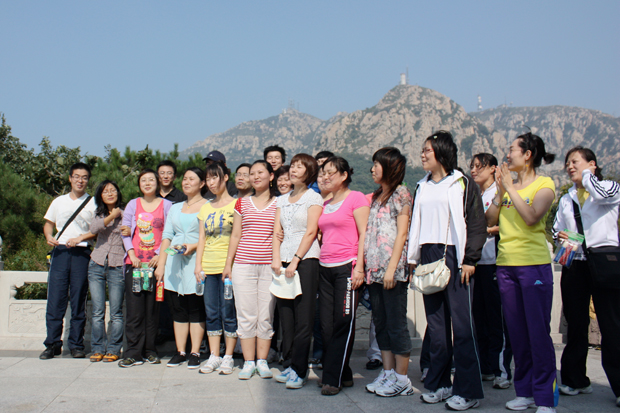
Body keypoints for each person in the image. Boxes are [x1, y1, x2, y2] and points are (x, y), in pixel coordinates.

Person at [407, 131, 487, 411]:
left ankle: (468, 390)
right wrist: (412, 259)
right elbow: (416, 224)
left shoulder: (461, 182)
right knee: (437, 326)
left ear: (441, 152)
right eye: (422, 150)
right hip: (429, 255)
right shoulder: (422, 185)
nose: (422, 154)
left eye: (427, 150)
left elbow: (476, 223)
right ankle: (440, 384)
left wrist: (470, 259)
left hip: (455, 256)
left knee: (462, 327)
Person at [485, 132, 558, 413]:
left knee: (538, 333)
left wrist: (509, 188)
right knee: (517, 334)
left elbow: (531, 217)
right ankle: (524, 391)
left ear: (528, 155)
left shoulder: (544, 185)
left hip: (533, 265)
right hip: (506, 266)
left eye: (512, 149)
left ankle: (545, 397)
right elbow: (490, 219)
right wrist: (500, 192)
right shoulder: (508, 188)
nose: (507, 154)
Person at [552, 146, 620, 408]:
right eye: (568, 163)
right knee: (576, 323)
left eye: (575, 162)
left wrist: (589, 176)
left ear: (592, 164)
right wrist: (561, 236)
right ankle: (575, 379)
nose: (570, 166)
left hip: (604, 261)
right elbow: (557, 228)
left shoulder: (609, 187)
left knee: (611, 324)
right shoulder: (567, 197)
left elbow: (602, 195)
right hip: (575, 263)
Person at [364, 147, 414, 397]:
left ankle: (402, 379)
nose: (372, 169)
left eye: (377, 164)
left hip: (391, 270)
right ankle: (388, 372)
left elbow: (402, 233)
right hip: (374, 270)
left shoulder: (401, 193)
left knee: (396, 324)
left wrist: (392, 269)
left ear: (390, 167)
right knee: (381, 324)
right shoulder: (376, 196)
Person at [317, 156, 369, 395]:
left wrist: (359, 267)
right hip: (325, 267)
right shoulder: (325, 203)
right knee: (326, 326)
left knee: (343, 322)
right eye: (324, 172)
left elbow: (364, 233)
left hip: (347, 266)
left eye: (331, 172)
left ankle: (332, 378)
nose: (326, 176)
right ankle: (344, 373)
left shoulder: (356, 198)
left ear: (344, 175)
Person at [222, 160, 278, 380]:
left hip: (269, 266)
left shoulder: (280, 203)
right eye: (252, 173)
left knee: (265, 315)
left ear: (271, 176)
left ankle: (262, 361)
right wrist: (228, 264)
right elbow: (235, 234)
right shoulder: (242, 203)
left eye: (260, 172)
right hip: (243, 265)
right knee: (245, 314)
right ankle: (248, 362)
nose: (255, 176)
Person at [271, 154, 322, 389]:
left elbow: (311, 232)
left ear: (309, 172)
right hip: (282, 261)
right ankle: (289, 364)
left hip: (306, 260)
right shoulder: (281, 200)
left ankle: (300, 370)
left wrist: (295, 260)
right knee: (286, 317)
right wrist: (276, 259)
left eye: (299, 167)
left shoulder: (313, 197)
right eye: (292, 166)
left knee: (304, 317)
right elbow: (277, 231)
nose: (293, 170)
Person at [40, 162, 96, 360]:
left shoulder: (93, 203)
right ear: (70, 178)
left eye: (84, 177)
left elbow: (97, 230)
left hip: (82, 253)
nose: (80, 181)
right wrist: (48, 236)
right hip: (61, 252)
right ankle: (52, 344)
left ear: (88, 180)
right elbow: (49, 224)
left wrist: (81, 238)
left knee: (79, 299)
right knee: (55, 299)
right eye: (77, 177)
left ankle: (76, 344)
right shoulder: (59, 201)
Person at [119, 169, 172, 367]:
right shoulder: (133, 204)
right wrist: (131, 253)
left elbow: (171, 233)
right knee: (134, 311)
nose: (147, 183)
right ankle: (133, 352)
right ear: (139, 184)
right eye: (143, 180)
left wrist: (159, 255)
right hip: (134, 265)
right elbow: (124, 231)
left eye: (151, 180)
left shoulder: (167, 205)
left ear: (158, 183)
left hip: (155, 266)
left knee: (152, 311)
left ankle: (150, 350)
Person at [155, 167, 208, 369]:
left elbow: (210, 236)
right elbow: (167, 236)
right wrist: (161, 264)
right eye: (185, 179)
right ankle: (180, 351)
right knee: (177, 308)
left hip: (196, 260)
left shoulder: (208, 206)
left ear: (202, 183)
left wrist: (193, 246)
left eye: (191, 179)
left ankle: (195, 352)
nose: (186, 182)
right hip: (174, 262)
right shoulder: (176, 207)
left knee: (195, 307)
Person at [470, 153, 513, 389]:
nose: (474, 170)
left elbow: (504, 223)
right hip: (478, 264)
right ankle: (486, 366)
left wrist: (484, 230)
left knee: (498, 319)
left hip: (496, 262)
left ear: (493, 169)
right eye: (472, 166)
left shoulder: (501, 192)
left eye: (479, 166)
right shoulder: (476, 194)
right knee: (480, 318)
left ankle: (502, 370)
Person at [194, 161, 238, 375]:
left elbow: (237, 236)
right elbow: (202, 238)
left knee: (228, 312)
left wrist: (229, 264)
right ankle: (214, 355)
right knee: (211, 312)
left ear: (225, 178)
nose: (211, 183)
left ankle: (228, 356)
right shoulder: (205, 207)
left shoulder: (237, 205)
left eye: (215, 177)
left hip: (228, 267)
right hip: (208, 267)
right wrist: (198, 265)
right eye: (208, 179)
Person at [88, 180, 125, 363]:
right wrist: (111, 217)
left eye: (113, 190)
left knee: (116, 312)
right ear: (100, 196)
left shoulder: (126, 213)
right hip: (97, 263)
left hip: (117, 265)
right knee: (98, 311)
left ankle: (113, 348)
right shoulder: (99, 214)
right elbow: (94, 229)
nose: (110, 193)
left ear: (118, 193)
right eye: (105, 191)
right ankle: (97, 348)